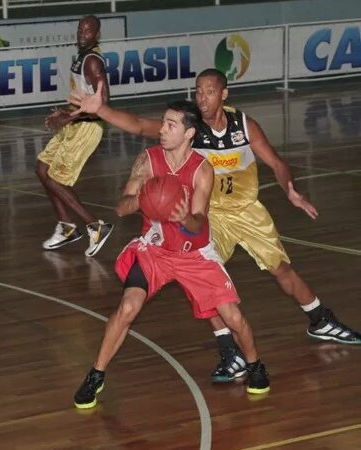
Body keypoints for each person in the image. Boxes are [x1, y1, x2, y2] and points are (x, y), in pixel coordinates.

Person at [69, 68, 361, 383]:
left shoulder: (244, 125)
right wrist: (101, 110)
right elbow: (139, 126)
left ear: (224, 94)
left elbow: (275, 162)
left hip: (247, 209)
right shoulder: (189, 127)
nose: (202, 97)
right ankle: (229, 350)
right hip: (209, 213)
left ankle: (319, 318)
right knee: (204, 278)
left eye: (208, 91)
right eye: (197, 91)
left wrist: (289, 188)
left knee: (281, 269)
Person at [73, 101, 270, 409]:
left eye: (170, 125)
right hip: (154, 250)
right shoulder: (148, 160)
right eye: (162, 123)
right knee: (128, 307)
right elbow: (122, 205)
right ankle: (96, 374)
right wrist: (141, 199)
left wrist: (181, 218)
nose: (162, 129)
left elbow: (199, 221)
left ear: (189, 132)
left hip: (194, 254)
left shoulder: (202, 169)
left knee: (233, 318)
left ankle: (255, 364)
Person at [35, 15, 113, 257]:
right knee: (42, 168)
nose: (82, 34)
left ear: (96, 34)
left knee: (56, 180)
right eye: (80, 29)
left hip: (88, 127)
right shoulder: (81, 55)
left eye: (88, 31)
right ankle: (67, 227)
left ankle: (96, 226)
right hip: (75, 121)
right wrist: (66, 112)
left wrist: (68, 118)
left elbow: (103, 103)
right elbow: (83, 97)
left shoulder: (92, 62)